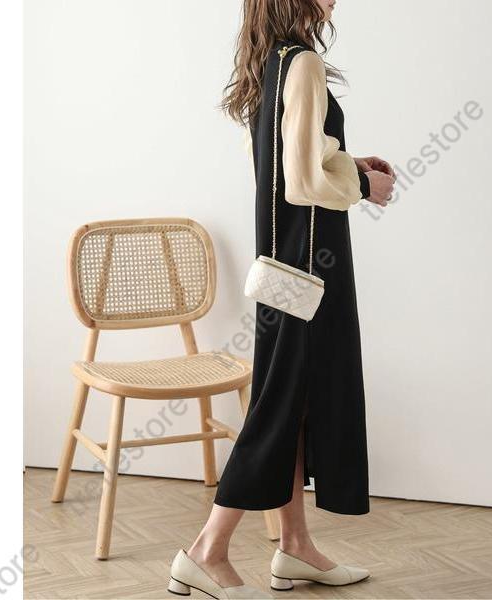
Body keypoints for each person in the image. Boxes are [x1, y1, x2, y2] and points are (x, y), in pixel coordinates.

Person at [168, 1, 395, 597]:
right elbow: (303, 181)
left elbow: (292, 161)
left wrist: (347, 159)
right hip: (311, 269)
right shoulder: (305, 64)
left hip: (287, 263)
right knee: (278, 407)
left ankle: (295, 548)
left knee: (291, 404)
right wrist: (364, 183)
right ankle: (206, 551)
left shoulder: (273, 61)